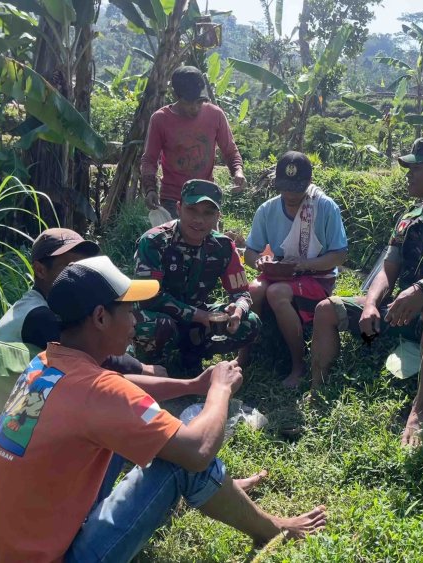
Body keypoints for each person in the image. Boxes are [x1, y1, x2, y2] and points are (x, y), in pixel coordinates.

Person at [0, 255, 326, 562]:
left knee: (156, 430)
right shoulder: (97, 391)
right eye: (129, 311)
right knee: (181, 460)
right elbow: (198, 451)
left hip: (9, 550)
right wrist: (218, 390)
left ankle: (224, 491)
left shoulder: (45, 363)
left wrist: (192, 385)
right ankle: (273, 529)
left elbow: (121, 389)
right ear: (100, 317)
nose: (135, 321)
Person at [310, 138, 423, 447]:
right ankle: (318, 388)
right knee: (327, 309)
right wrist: (370, 303)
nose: (408, 174)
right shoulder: (408, 218)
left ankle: (420, 409)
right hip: (402, 311)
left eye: (415, 168)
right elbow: (388, 267)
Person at [0, 228, 164, 457]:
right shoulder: (38, 317)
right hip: (1, 443)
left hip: (12, 430)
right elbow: (103, 360)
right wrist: (145, 369)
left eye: (83, 266)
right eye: (69, 268)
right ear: (40, 270)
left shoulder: (47, 308)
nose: (80, 274)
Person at [133, 179, 260, 372]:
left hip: (200, 318)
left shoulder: (223, 247)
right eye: (192, 210)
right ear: (179, 208)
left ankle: (193, 353)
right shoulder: (154, 242)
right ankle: (155, 365)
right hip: (162, 316)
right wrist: (199, 315)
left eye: (208, 213)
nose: (199, 220)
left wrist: (238, 310)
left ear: (218, 216)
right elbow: (149, 298)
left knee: (250, 322)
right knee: (155, 326)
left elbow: (242, 292)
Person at [244, 151, 348, 387]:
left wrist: (304, 265)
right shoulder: (267, 210)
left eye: (297, 188)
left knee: (276, 293)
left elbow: (339, 254)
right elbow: (251, 251)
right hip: (279, 272)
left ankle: (298, 366)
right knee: (253, 289)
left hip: (316, 275)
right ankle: (246, 354)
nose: (291, 194)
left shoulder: (325, 207)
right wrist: (259, 261)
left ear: (309, 184)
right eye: (285, 187)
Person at [141, 65, 246, 219]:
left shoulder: (215, 115)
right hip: (173, 199)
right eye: (190, 102)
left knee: (208, 242)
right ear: (177, 95)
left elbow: (230, 150)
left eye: (200, 101)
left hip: (205, 196)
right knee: (175, 241)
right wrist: (150, 189)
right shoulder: (160, 119)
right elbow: (149, 160)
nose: (196, 107)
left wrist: (238, 171)